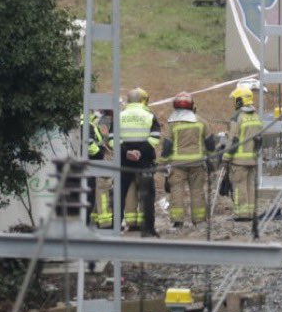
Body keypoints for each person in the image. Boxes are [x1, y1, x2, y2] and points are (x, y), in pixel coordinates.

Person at [162, 92, 214, 228]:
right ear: (192, 106)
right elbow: (210, 144)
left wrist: (163, 163)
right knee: (197, 191)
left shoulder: (171, 123)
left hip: (177, 164)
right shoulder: (202, 122)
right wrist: (211, 160)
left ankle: (177, 221)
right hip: (197, 163)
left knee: (176, 191)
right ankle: (199, 220)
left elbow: (166, 146)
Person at [117, 87, 160, 236]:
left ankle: (115, 228)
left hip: (124, 160)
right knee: (147, 195)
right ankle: (148, 229)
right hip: (144, 161)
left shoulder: (119, 115)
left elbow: (112, 138)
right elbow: (155, 137)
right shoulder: (149, 115)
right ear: (143, 100)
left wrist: (127, 152)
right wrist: (141, 152)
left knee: (120, 194)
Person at [225, 84, 263, 220]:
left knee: (239, 187)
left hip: (239, 161)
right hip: (252, 159)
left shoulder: (237, 117)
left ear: (239, 100)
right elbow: (259, 139)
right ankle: (251, 213)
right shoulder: (256, 116)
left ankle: (241, 214)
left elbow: (233, 140)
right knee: (250, 186)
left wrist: (225, 157)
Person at [86, 111, 113, 228]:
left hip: (101, 160)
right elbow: (106, 139)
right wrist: (100, 153)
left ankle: (95, 218)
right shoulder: (104, 121)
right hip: (103, 160)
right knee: (103, 188)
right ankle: (105, 222)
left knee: (98, 189)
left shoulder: (97, 121)